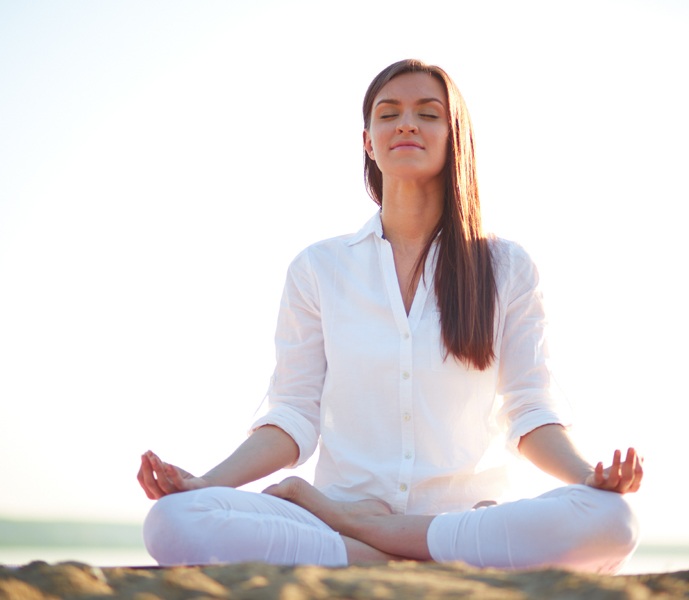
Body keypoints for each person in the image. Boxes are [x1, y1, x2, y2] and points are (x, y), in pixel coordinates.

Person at [138, 58, 643, 573]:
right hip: (341, 515)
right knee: (174, 520)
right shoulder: (319, 268)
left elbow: (530, 411)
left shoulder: (506, 267)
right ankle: (405, 548)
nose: (406, 124)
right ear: (367, 141)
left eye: (428, 114)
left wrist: (587, 477)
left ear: (455, 137)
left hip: (464, 518)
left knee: (613, 520)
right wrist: (205, 483)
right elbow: (292, 415)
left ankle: (371, 539)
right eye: (388, 114)